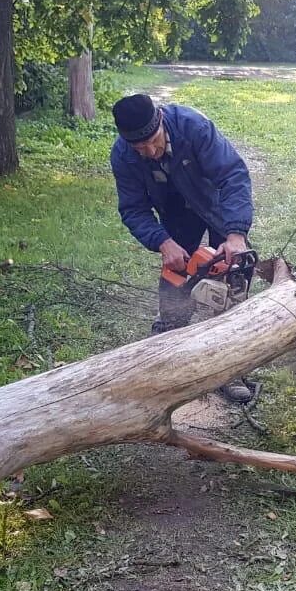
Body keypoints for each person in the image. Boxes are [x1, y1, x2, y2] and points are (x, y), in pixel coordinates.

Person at [109, 93, 256, 401]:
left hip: (214, 203)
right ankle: (170, 343)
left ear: (161, 120)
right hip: (174, 209)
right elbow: (133, 209)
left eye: (154, 142)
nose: (149, 151)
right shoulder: (123, 155)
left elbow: (233, 175)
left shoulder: (194, 127)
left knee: (232, 279)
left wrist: (235, 233)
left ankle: (232, 367)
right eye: (140, 148)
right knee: (175, 281)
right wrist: (163, 242)